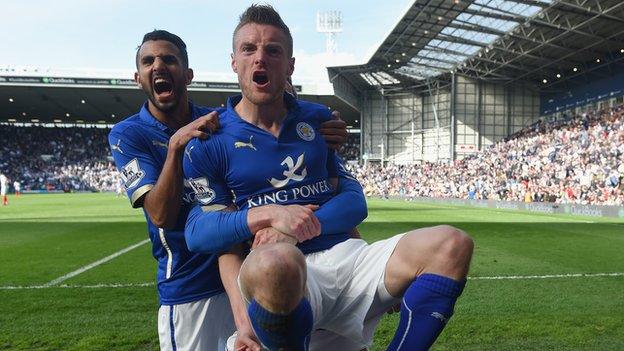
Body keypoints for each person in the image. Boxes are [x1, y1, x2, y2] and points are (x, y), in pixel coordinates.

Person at [183, 5, 473, 351]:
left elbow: (353, 202)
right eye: (249, 49)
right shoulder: (210, 140)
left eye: (273, 50)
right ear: (234, 61)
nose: (260, 58)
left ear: (289, 65)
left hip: (347, 257)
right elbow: (199, 234)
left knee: (451, 244)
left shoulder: (318, 121)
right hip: (283, 273)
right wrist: (270, 215)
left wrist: (296, 227)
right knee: (278, 262)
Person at [108, 29, 349, 351]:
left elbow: (279, 116)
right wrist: (176, 146)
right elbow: (161, 215)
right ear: (138, 78)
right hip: (190, 282)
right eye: (148, 61)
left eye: (169, 59)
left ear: (188, 74)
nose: (158, 66)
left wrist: (318, 128)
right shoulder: (129, 134)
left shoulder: (219, 122)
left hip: (248, 270)